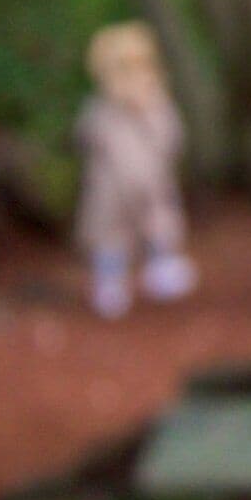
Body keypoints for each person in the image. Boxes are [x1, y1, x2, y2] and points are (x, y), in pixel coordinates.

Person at [74, 22, 194, 319]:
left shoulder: (158, 106)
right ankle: (110, 284)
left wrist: (147, 109)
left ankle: (162, 267)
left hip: (152, 186)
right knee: (110, 240)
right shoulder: (101, 111)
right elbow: (87, 138)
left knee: (159, 227)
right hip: (111, 191)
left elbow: (172, 139)